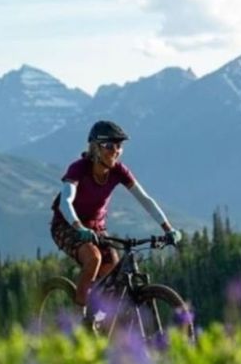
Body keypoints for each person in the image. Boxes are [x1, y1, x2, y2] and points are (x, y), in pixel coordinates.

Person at [50, 120, 182, 307]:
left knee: (113, 269)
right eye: (109, 145)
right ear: (95, 148)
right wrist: (78, 227)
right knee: (93, 258)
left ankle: (102, 315)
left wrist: (168, 229)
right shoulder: (79, 168)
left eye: (119, 146)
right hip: (67, 224)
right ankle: (80, 314)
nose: (116, 151)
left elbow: (145, 199)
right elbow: (66, 202)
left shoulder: (119, 171)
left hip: (96, 227)